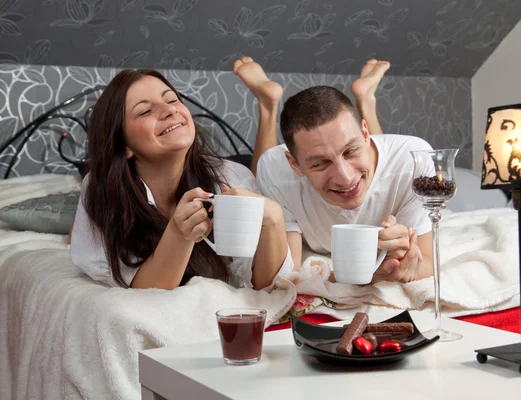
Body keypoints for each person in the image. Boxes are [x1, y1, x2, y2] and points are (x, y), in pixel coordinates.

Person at [70, 69, 293, 290]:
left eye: (172, 99)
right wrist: (179, 234)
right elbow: (141, 291)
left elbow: (266, 292)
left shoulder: (231, 176)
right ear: (124, 145)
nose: (169, 110)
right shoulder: (101, 189)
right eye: (145, 111)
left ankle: (267, 107)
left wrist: (274, 219)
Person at [233, 57, 434, 283]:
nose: (345, 178)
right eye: (320, 163)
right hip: (277, 165)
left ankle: (366, 100)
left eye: (350, 151)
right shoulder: (276, 168)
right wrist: (348, 277)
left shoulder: (416, 160)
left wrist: (407, 265)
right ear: (295, 165)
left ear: (365, 134)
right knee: (265, 167)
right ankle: (267, 106)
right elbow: (283, 276)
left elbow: (426, 261)